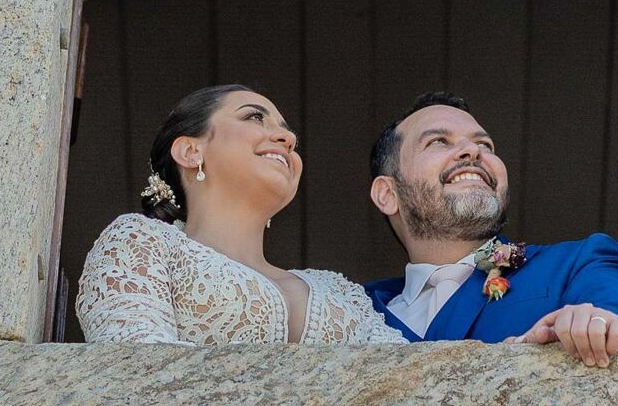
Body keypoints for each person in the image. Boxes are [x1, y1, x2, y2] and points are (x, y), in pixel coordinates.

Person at [76, 84, 403, 345]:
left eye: (289, 133)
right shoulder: (142, 242)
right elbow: (131, 363)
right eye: (254, 118)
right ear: (191, 151)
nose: (288, 138)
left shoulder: (337, 288)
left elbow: (403, 378)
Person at [364, 92, 618, 367]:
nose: (473, 151)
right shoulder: (350, 310)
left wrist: (598, 324)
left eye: (485, 145)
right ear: (387, 195)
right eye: (439, 141)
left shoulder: (580, 263)